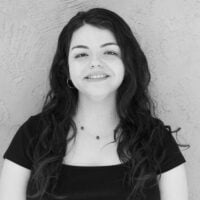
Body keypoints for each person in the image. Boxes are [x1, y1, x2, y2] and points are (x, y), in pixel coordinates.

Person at [0, 7, 188, 200]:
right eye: (81, 54)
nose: (95, 63)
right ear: (66, 69)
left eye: (109, 52)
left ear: (127, 63)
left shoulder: (155, 139)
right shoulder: (33, 135)